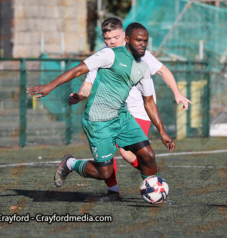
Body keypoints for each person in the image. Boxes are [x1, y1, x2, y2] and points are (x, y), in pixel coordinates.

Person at [27, 23, 176, 199]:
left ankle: (154, 193)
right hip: (98, 121)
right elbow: (79, 69)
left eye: (145, 41)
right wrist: (49, 86)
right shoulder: (109, 55)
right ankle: (71, 164)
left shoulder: (143, 67)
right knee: (104, 173)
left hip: (122, 117)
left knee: (148, 156)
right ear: (127, 40)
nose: (143, 44)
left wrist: (162, 131)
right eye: (138, 40)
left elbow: (149, 102)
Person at [67, 17, 192, 200]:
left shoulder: (140, 53)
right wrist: (80, 96)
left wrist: (177, 93)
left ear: (125, 36)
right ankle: (115, 190)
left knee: (127, 153)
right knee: (111, 158)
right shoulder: (104, 56)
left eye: (115, 38)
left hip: (140, 110)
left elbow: (163, 70)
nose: (112, 42)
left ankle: (152, 182)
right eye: (107, 39)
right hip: (114, 114)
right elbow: (88, 83)